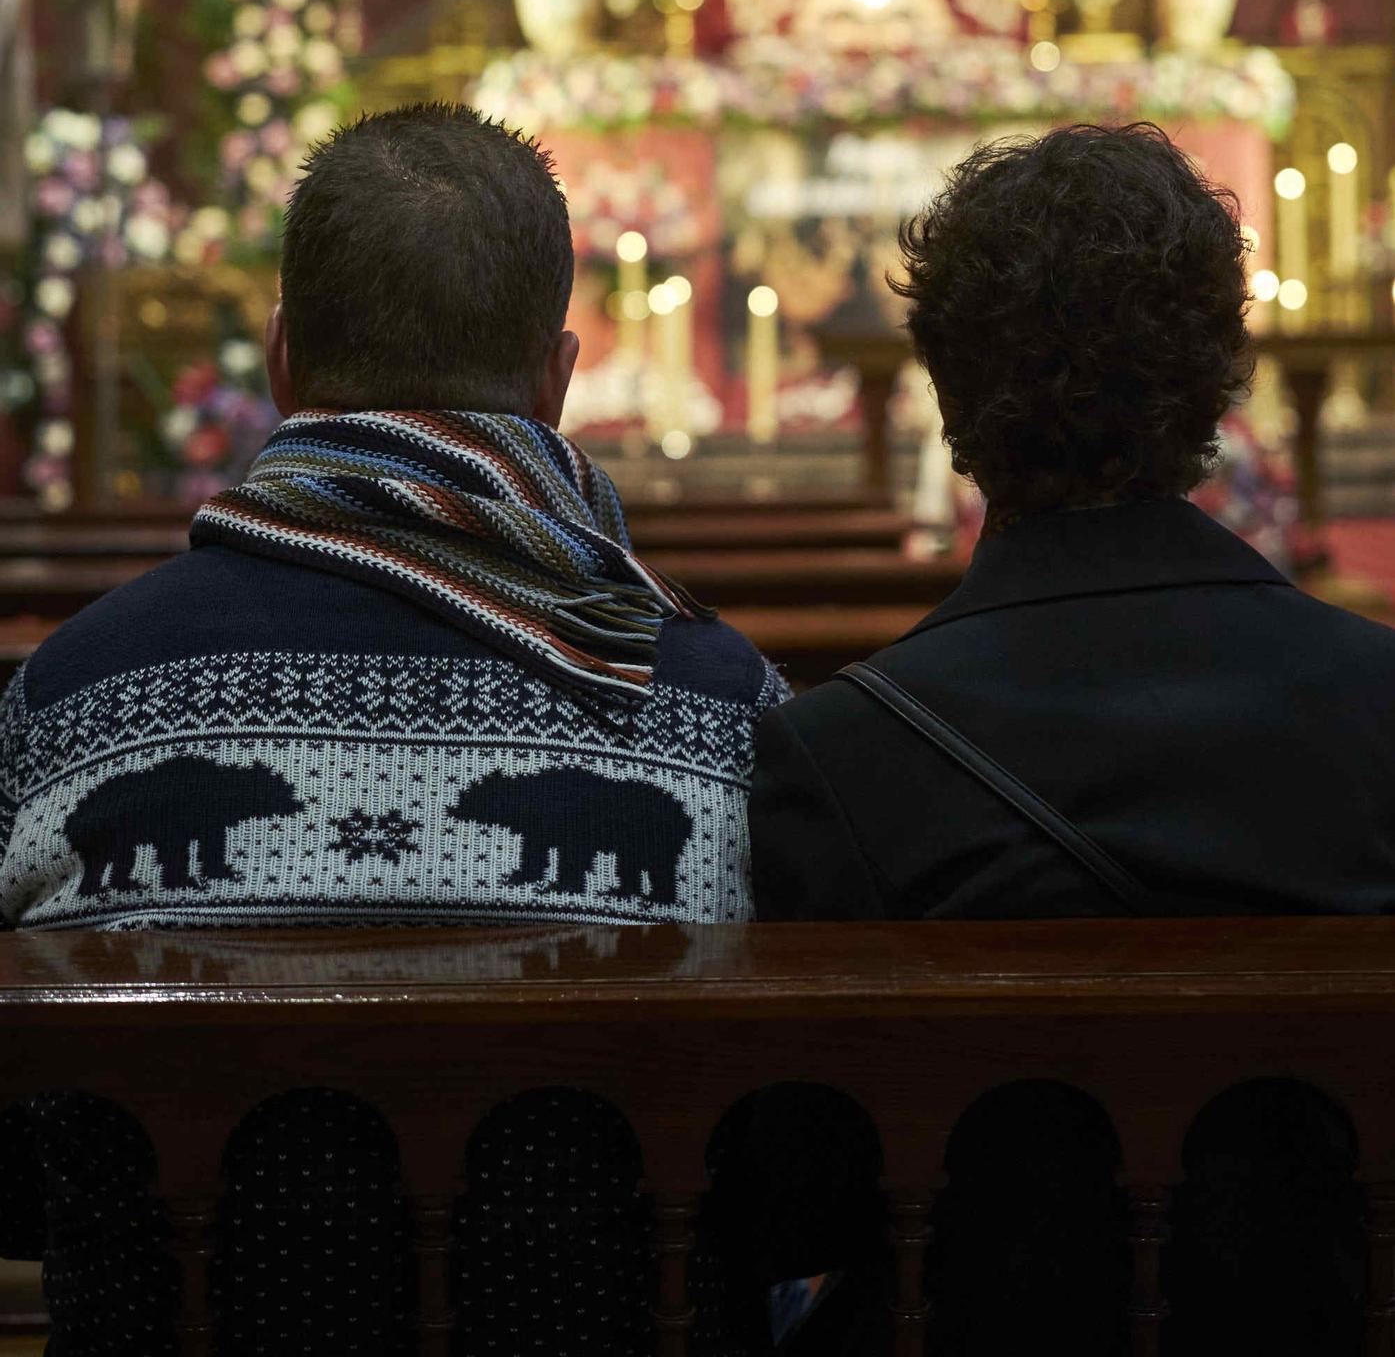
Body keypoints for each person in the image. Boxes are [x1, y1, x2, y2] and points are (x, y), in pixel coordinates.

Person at [0, 102, 785, 1356]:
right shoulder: (720, 706)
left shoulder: (64, 700)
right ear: (558, 380)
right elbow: (783, 1168)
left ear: (279, 364)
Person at [750, 121, 1395, 1354]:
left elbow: (798, 1201)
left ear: (945, 390)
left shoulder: (834, 758)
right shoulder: (1381, 700)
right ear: (1221, 374)